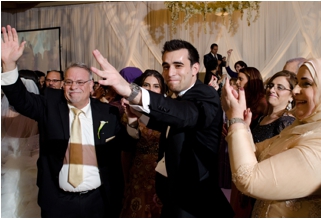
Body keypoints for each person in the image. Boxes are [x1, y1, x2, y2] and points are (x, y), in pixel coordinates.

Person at [1, 25, 136, 217]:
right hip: (57, 201)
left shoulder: (107, 112)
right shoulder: (50, 104)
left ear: (91, 86)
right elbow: (20, 99)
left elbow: (126, 145)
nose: (74, 87)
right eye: (69, 82)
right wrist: (8, 65)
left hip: (98, 201)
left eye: (80, 82)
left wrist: (131, 121)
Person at [91, 39, 234, 217]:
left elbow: (184, 116)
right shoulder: (180, 96)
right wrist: (139, 115)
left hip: (193, 201)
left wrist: (130, 90)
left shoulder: (205, 95)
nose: (170, 72)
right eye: (166, 66)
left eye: (178, 65)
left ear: (195, 69)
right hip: (172, 194)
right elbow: (169, 122)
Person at [222, 58, 321, 217]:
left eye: (305, 83)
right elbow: (257, 150)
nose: (296, 90)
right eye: (297, 83)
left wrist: (236, 120)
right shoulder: (299, 126)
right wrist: (242, 127)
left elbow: (248, 178)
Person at [230, 70, 296, 217]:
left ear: (291, 95)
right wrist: (246, 129)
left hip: (267, 189)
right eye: (271, 85)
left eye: (280, 87)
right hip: (252, 183)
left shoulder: (286, 122)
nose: (272, 89)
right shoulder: (262, 119)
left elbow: (282, 165)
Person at [119, 70, 168, 218]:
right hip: (139, 171)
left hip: (163, 171)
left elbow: (161, 127)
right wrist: (132, 119)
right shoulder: (131, 110)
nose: (150, 89)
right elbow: (129, 144)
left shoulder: (168, 112)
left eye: (155, 86)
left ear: (162, 90)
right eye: (146, 85)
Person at [1, 74, 41, 218]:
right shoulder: (36, 117)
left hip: (8, 165)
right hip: (31, 166)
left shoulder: (4, 115)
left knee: (8, 202)